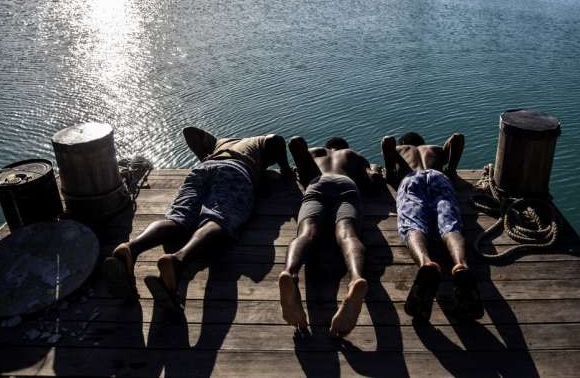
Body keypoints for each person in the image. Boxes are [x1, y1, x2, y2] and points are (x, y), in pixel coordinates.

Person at [103, 127, 290, 309]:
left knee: (177, 218)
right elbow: (276, 139)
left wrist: (204, 155)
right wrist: (285, 169)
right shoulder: (258, 143)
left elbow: (189, 131)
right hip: (235, 171)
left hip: (202, 169)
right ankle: (178, 261)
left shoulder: (220, 143)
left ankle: (131, 248)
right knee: (218, 219)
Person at [278, 136, 383, 337]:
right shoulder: (352, 155)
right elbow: (372, 183)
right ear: (345, 146)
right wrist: (376, 171)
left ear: (327, 147)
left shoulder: (314, 152)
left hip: (317, 183)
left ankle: (290, 273)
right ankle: (355, 279)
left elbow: (298, 173)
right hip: (346, 184)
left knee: (307, 232)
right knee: (347, 233)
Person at [381, 131, 483, 321]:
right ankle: (461, 264)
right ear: (423, 142)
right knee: (450, 225)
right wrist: (451, 170)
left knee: (412, 225)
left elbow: (387, 141)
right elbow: (457, 137)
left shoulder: (400, 149)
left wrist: (390, 168)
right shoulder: (434, 149)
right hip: (438, 177)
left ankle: (425, 262)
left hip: (411, 179)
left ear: (405, 143)